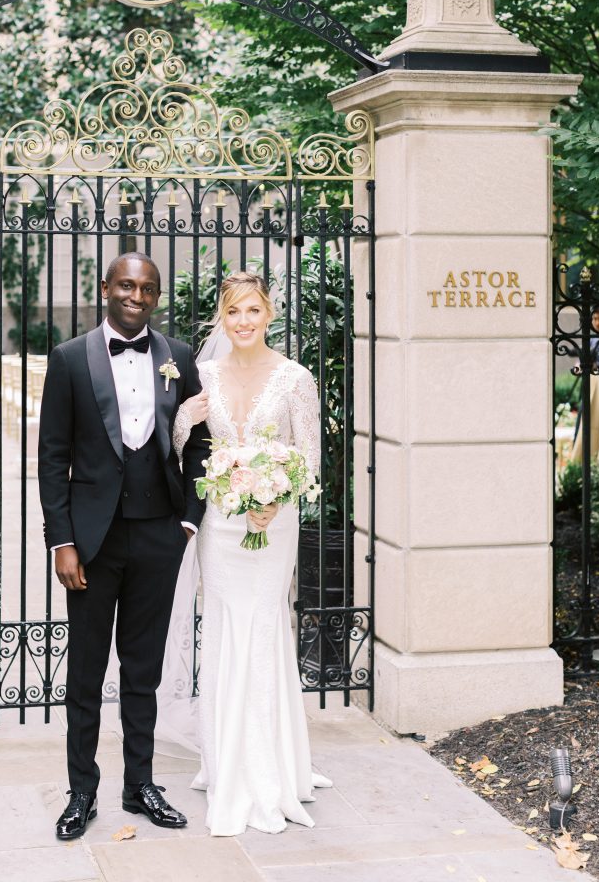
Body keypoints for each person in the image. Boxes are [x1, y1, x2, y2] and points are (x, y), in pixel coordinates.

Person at [38, 252, 210, 840]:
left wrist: (188, 521)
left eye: (148, 288)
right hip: (91, 543)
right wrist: (62, 540)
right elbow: (52, 456)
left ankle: (140, 785)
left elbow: (198, 444)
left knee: (144, 671)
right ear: (107, 288)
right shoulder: (68, 359)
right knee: (86, 673)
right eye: (127, 285)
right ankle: (81, 792)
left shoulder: (179, 357)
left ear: (157, 297)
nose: (136, 296)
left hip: (159, 536)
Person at [172, 270, 330, 837]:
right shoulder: (202, 375)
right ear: (222, 317)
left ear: (269, 315)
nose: (243, 322)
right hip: (219, 528)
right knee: (222, 629)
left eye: (253, 311)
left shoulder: (295, 380)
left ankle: (267, 769)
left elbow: (308, 460)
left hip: (271, 526)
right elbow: (178, 450)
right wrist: (183, 423)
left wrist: (276, 500)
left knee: (262, 626)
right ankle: (224, 759)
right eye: (233, 312)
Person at [570, 303, 599, 463]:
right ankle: (581, 463)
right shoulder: (591, 339)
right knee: (584, 424)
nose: (597, 323)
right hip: (592, 390)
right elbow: (584, 360)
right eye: (595, 319)